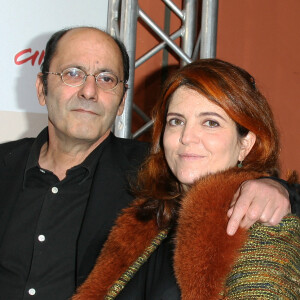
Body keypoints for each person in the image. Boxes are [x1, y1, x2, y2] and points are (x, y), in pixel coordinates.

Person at [0, 27, 297, 299]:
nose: (89, 91)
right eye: (73, 73)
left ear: (121, 99)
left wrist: (274, 187)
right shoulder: (158, 198)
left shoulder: (143, 174)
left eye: (106, 78)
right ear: (41, 88)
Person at [73, 59, 300, 299]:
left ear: (245, 143)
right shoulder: (146, 219)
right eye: (176, 121)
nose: (186, 137)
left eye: (210, 123)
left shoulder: (258, 221)